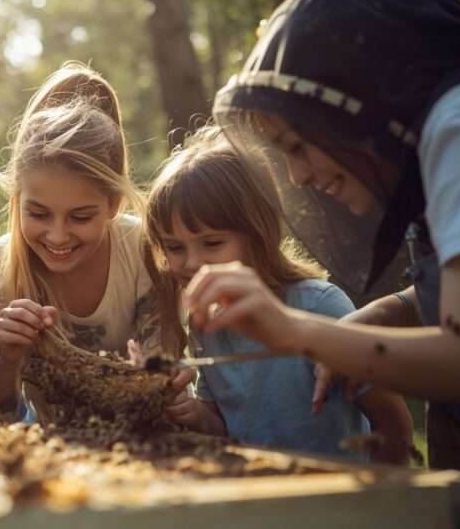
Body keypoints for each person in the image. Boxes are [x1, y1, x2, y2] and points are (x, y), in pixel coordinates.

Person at [186, 0, 460, 524]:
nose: (296, 176)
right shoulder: (453, 128)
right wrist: (377, 318)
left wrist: (298, 331)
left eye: (299, 144)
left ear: (356, 97)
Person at [139, 125, 414, 462]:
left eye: (212, 243)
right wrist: (192, 413)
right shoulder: (207, 324)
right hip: (257, 501)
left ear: (258, 233)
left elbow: (393, 423)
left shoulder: (320, 306)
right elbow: (223, 426)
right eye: (174, 247)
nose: (192, 262)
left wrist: (383, 502)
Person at [0, 62, 164, 416]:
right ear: (17, 197)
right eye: (38, 214)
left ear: (113, 203)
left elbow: (166, 373)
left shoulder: (142, 248)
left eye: (80, 217)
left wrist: (152, 373)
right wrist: (7, 356)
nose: (58, 235)